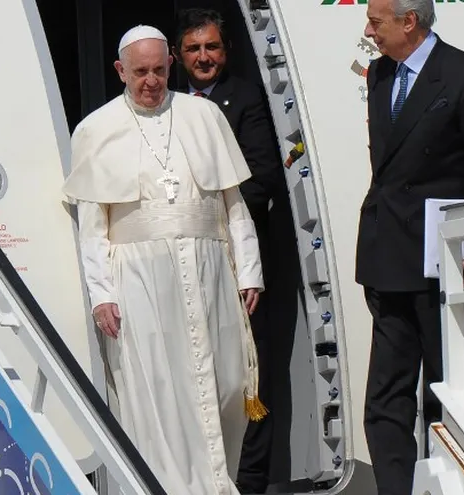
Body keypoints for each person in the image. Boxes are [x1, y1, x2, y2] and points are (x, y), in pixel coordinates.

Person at [63, 24, 268, 495]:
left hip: (210, 270)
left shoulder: (204, 115)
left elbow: (233, 205)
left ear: (170, 64)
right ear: (120, 70)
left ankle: (217, 483)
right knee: (158, 387)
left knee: (226, 381)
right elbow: (92, 227)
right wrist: (101, 294)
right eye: (140, 72)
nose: (151, 81)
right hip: (139, 277)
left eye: (159, 70)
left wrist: (249, 270)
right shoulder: (95, 129)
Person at [356, 0, 464, 493]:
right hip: (387, 256)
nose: (368, 31)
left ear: (409, 22)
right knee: (386, 396)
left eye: (376, 21)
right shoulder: (379, 75)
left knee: (445, 390)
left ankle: (448, 484)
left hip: (443, 261)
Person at [174, 9, 301, 494]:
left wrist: (205, 216)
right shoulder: (164, 104)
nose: (203, 57)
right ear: (178, 55)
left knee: (249, 371)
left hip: (238, 258)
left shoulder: (245, 98)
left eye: (212, 47)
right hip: (181, 262)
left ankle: (249, 481)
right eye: (193, 48)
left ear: (226, 51)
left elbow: (261, 176)